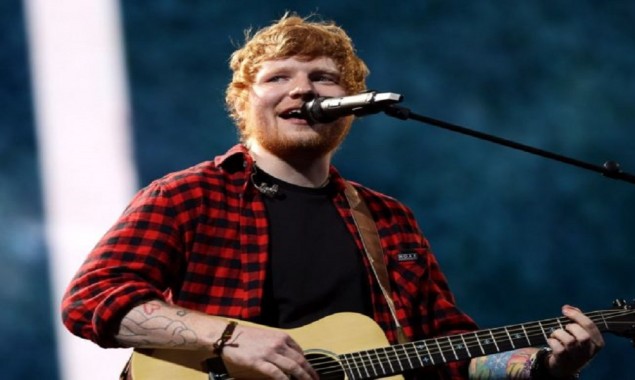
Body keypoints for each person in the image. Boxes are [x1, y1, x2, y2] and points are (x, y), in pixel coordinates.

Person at [61, 13, 604, 379]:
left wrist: (539, 366)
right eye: (278, 78)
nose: (303, 89)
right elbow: (91, 300)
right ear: (242, 103)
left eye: (324, 78)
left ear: (351, 102)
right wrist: (229, 337)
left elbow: (447, 349)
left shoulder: (388, 218)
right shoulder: (188, 195)